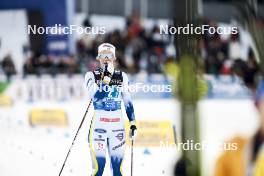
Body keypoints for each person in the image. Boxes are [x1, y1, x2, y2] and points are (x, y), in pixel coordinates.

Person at [84, 43, 137, 176]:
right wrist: (105, 80)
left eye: (109, 55)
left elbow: (127, 100)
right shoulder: (91, 75)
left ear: (114, 58)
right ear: (98, 57)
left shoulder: (122, 76)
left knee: (117, 169)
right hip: (98, 127)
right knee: (99, 167)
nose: (106, 58)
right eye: (103, 55)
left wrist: (133, 123)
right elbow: (95, 97)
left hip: (117, 127)